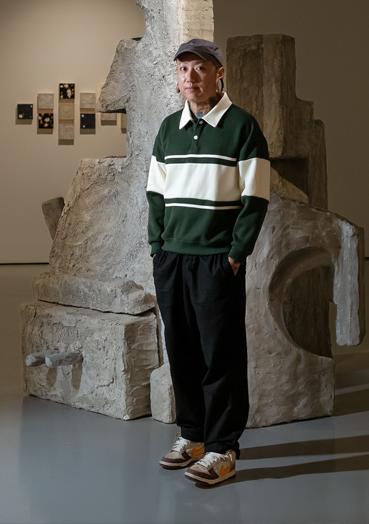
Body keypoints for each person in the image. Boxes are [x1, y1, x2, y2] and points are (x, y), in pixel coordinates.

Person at [148, 38, 270, 486]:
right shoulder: (169, 128)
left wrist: (236, 254)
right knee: (181, 351)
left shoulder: (242, 127)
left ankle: (223, 448)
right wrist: (157, 247)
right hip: (172, 258)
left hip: (217, 260)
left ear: (219, 74)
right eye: (183, 69)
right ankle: (193, 436)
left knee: (221, 355)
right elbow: (155, 195)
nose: (190, 77)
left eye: (200, 68)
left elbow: (255, 198)